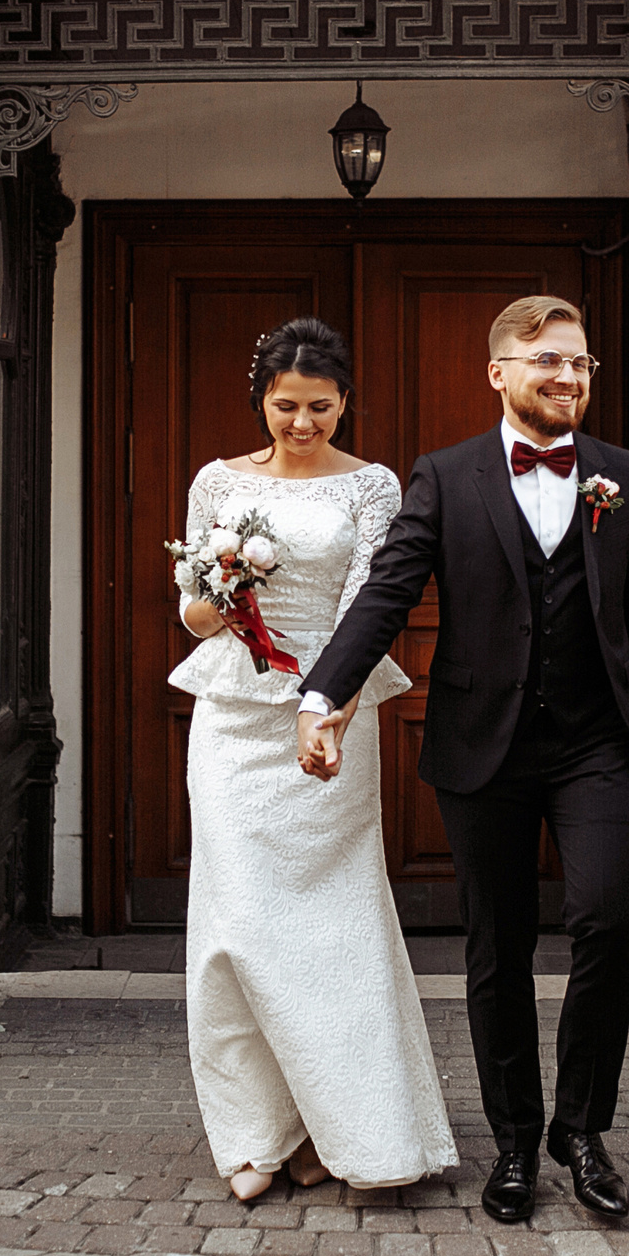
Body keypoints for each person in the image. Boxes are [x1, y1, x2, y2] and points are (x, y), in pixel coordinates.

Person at [301, 296, 629, 1226]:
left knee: (605, 924)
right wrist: (325, 695)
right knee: (498, 947)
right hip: (483, 744)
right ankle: (515, 1139)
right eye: (548, 361)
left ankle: (581, 1128)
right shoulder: (446, 475)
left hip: (596, 740)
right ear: (500, 373)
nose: (568, 378)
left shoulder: (620, 473)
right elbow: (388, 592)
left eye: (582, 363)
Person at [165, 321, 456, 1199]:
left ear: (344, 402)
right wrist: (220, 590)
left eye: (320, 407)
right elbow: (188, 615)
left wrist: (327, 709)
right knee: (237, 922)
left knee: (329, 924)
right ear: (260, 399)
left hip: (331, 710)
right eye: (286, 406)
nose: (302, 422)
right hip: (230, 719)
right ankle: (257, 1129)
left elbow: (373, 603)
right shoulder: (217, 481)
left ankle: (337, 1127)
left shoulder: (371, 485)